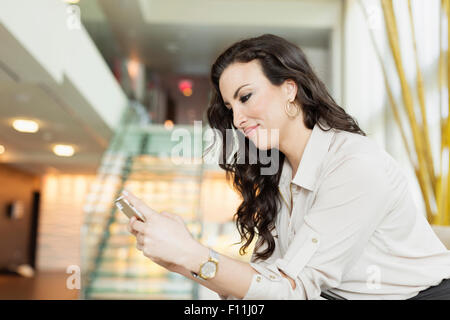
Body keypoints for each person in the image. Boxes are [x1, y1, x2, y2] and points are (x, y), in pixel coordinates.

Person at [125, 34, 450, 300]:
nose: (237, 120)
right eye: (230, 107)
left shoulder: (354, 165)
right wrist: (179, 258)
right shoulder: (278, 172)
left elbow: (295, 292)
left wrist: (192, 253)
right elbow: (267, 287)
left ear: (290, 90)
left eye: (246, 97)